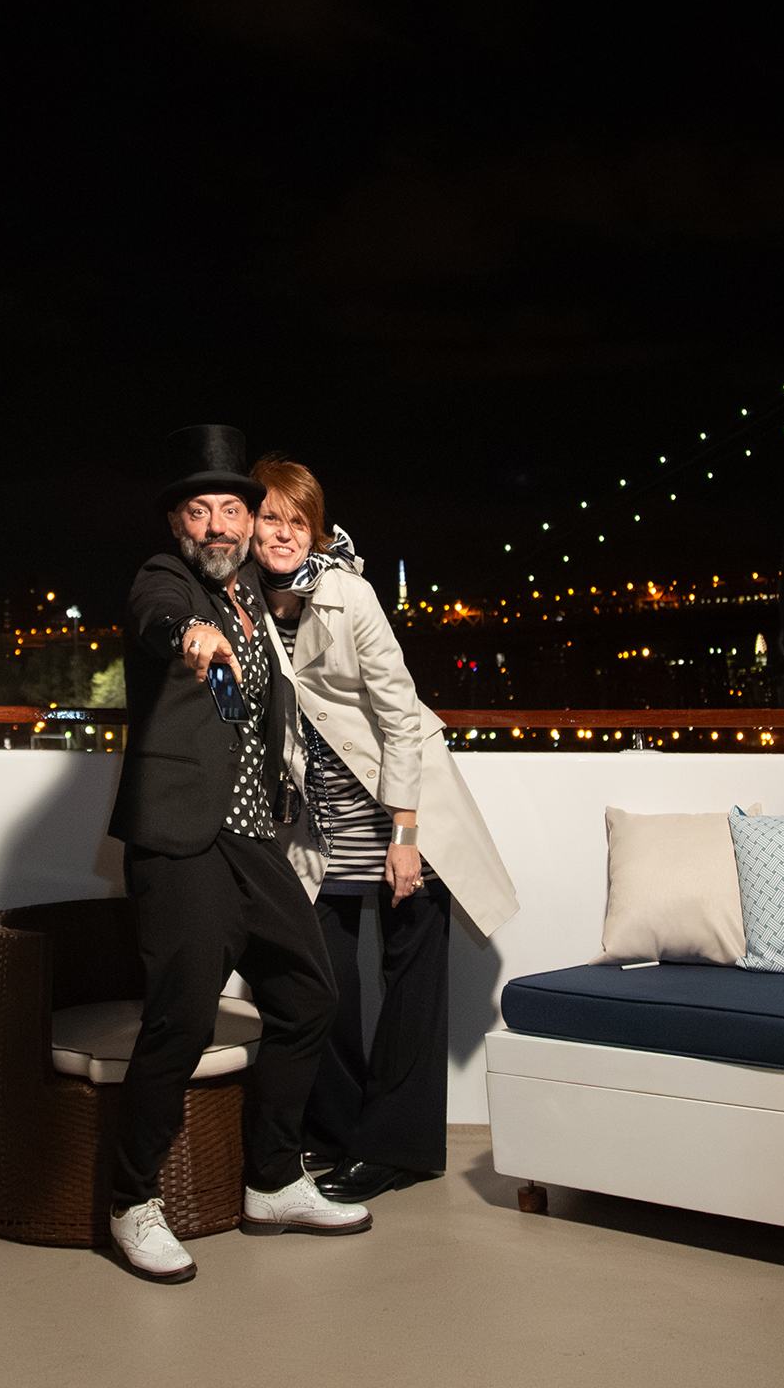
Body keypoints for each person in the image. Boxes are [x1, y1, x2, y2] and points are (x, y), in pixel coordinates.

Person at [101, 424, 370, 1283]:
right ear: (177, 521)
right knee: (180, 1017)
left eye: (232, 510)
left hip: (255, 838)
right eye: (199, 510)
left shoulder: (256, 597)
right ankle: (131, 1200)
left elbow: (323, 579)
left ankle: (273, 1178)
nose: (216, 525)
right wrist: (189, 636)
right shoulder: (167, 579)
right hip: (183, 840)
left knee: (310, 994)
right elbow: (156, 617)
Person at [246, 458, 518, 1202]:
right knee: (321, 985)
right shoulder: (242, 601)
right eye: (270, 517)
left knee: (412, 989)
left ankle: (397, 1149)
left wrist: (405, 834)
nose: (283, 533)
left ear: (316, 531)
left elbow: (400, 715)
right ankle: (334, 1135)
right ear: (248, 524)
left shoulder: (350, 594)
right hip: (321, 826)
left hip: (402, 811)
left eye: (298, 521)